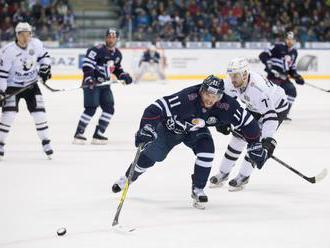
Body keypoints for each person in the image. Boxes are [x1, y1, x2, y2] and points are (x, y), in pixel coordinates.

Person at [112, 75, 270, 209]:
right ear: (201, 90)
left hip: (195, 131)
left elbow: (248, 123)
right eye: (208, 94)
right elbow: (154, 109)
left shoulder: (227, 105)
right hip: (171, 130)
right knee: (151, 156)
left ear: (221, 96)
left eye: (215, 96)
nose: (210, 99)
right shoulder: (186, 98)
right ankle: (128, 178)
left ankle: (198, 189)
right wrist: (146, 128)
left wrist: (255, 143)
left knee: (207, 149)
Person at [209, 58, 288, 191]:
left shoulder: (258, 89)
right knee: (237, 138)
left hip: (276, 109)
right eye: (231, 75)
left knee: (255, 144)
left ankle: (243, 176)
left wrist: (267, 140)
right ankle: (223, 173)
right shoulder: (231, 83)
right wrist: (221, 120)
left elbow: (270, 116)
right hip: (254, 107)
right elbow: (226, 103)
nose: (232, 79)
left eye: (236, 76)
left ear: (245, 74)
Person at [0, 22, 53, 159]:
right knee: (8, 115)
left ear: (31, 34)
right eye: (21, 34)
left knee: (39, 115)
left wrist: (45, 68)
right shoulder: (7, 51)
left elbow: (45, 57)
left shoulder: (36, 44)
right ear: (16, 35)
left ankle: (46, 143)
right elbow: (2, 75)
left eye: (27, 34)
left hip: (31, 85)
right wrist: (1, 92)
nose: (25, 37)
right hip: (12, 86)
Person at [73, 28, 133, 145]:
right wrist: (89, 78)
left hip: (105, 85)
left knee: (109, 108)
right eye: (109, 37)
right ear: (105, 38)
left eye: (113, 37)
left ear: (117, 39)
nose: (111, 39)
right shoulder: (96, 50)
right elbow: (87, 65)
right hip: (92, 84)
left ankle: (98, 134)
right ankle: (78, 134)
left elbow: (117, 69)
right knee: (91, 108)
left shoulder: (117, 54)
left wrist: (124, 76)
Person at [259, 31, 304, 120]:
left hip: (284, 78)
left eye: (292, 39)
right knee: (271, 95)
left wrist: (297, 76)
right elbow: (263, 55)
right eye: (288, 39)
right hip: (273, 77)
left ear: (295, 41)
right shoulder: (278, 46)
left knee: (292, 91)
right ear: (285, 39)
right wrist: (269, 65)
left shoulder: (294, 52)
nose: (290, 41)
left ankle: (283, 114)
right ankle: (266, 113)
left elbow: (292, 68)